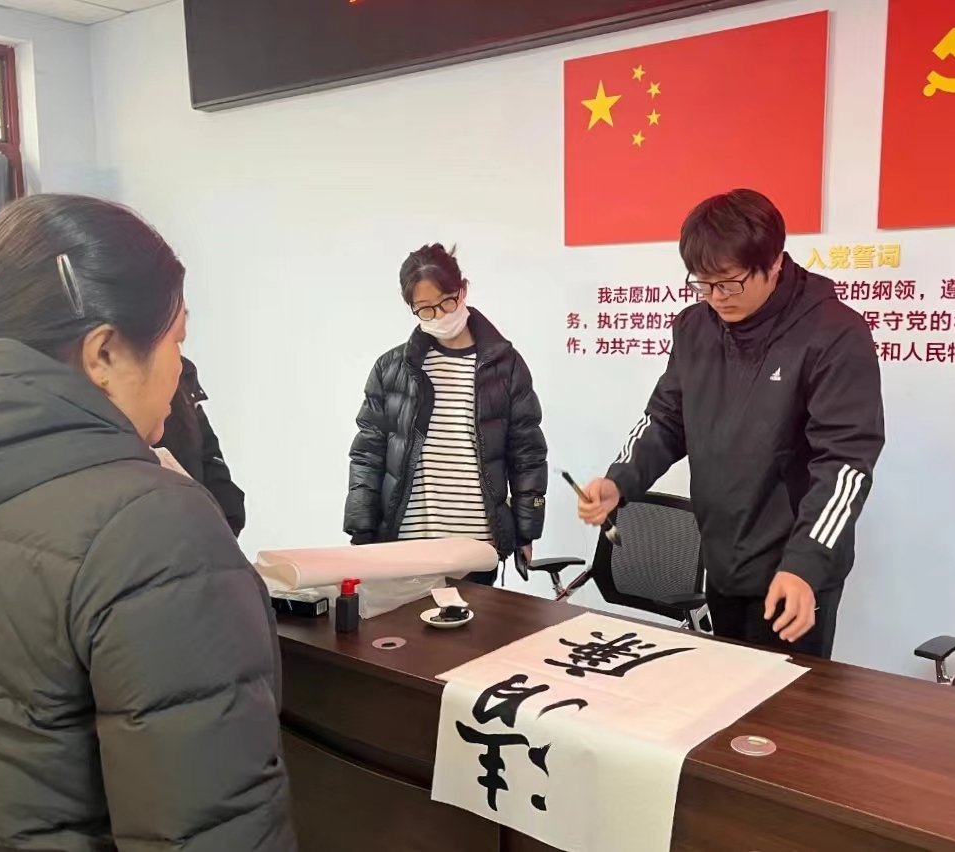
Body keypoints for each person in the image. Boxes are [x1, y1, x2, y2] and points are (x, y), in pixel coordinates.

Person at [0, 195, 295, 851]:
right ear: (103, 354)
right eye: (178, 341)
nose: (180, 369)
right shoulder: (151, 526)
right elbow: (205, 828)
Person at [578, 189, 885, 658]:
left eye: (730, 283)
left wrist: (805, 564)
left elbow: (844, 463)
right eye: (703, 284)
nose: (716, 298)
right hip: (723, 557)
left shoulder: (834, 333)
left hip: (793, 571)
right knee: (727, 692)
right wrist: (619, 480)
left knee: (786, 701)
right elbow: (665, 419)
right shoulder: (694, 328)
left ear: (775, 262)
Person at [345, 243, 548, 585]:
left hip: (476, 549)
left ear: (462, 290)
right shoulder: (391, 369)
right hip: (405, 547)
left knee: (476, 622)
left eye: (447, 302)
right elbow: (367, 456)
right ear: (411, 308)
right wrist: (361, 535)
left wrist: (526, 533)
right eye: (426, 310)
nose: (440, 316)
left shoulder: (506, 367)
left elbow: (527, 454)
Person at [156, 357, 247, 536]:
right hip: (156, 528)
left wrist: (228, 517)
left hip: (201, 532)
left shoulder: (184, 372)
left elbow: (208, 453)